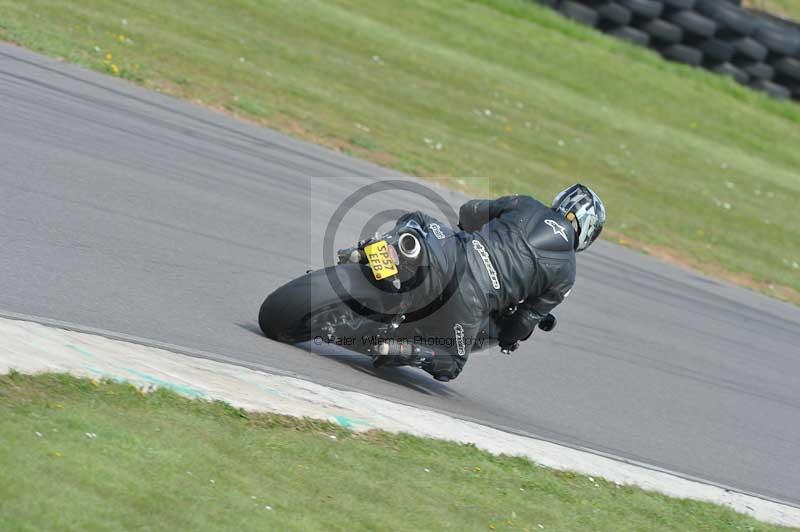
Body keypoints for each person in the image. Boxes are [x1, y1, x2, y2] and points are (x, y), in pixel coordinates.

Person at [392, 184, 605, 382]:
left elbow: (470, 210)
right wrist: (507, 339)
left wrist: (469, 233)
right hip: (471, 301)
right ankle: (403, 350)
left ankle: (383, 251)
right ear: (589, 232)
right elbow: (524, 320)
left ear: (562, 199)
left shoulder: (526, 203)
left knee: (418, 220)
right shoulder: (567, 273)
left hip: (450, 254)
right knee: (451, 364)